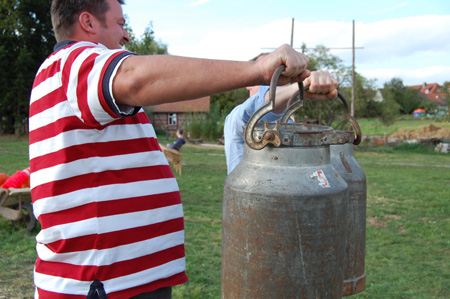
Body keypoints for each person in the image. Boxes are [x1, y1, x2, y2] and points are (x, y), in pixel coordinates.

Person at [29, 0, 313, 298]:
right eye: (120, 24)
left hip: (121, 281)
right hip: (102, 284)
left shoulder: (76, 79)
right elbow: (134, 78)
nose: (126, 36)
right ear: (87, 23)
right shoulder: (75, 61)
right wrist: (257, 69)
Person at [224, 70, 338, 174]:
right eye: (266, 79)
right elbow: (255, 108)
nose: (277, 85)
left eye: (283, 79)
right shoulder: (237, 117)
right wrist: (297, 88)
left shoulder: (289, 121)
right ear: (249, 84)